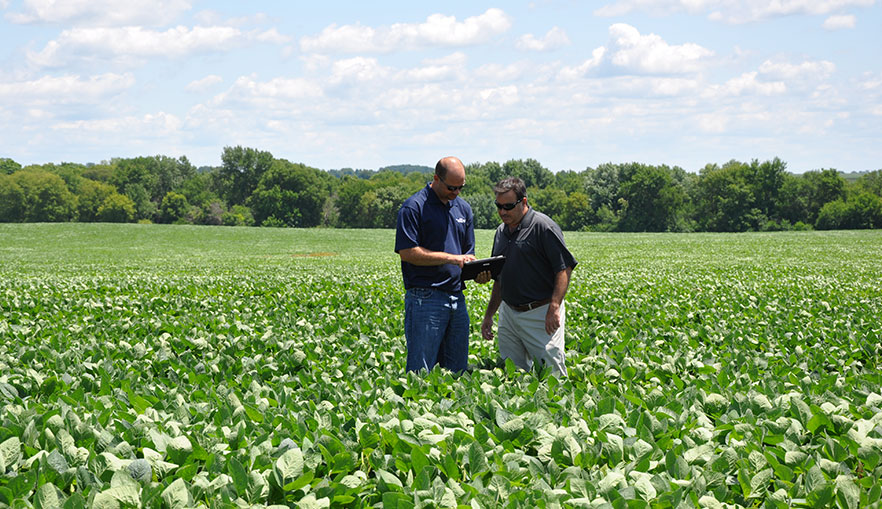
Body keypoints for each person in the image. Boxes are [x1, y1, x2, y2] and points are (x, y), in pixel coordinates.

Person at [395, 156, 486, 373]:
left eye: (460, 188)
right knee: (421, 370)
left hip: (457, 296)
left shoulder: (463, 209)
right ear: (436, 178)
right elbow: (408, 253)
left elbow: (467, 253)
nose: (456, 193)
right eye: (451, 187)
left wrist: (477, 272)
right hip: (425, 297)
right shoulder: (414, 207)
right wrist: (450, 258)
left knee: (457, 370)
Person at [480, 177, 577, 377]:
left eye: (508, 206)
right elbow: (499, 278)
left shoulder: (543, 227)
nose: (502, 212)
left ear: (523, 202)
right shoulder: (501, 232)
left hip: (540, 313)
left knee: (552, 372)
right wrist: (490, 314)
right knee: (513, 371)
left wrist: (555, 306)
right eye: (498, 206)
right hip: (509, 312)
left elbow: (564, 268)